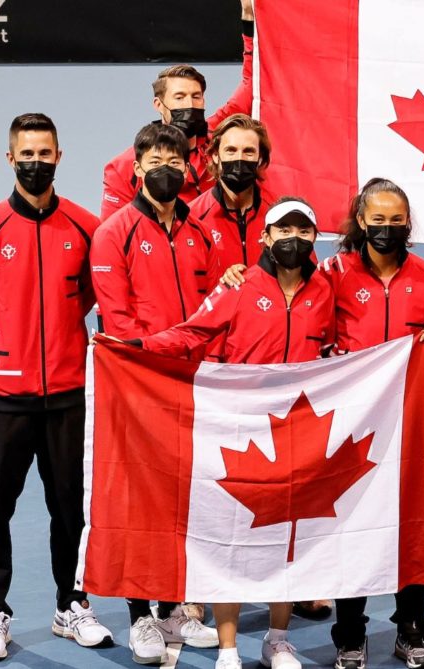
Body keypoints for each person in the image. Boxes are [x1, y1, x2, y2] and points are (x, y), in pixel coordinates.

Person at [128, 198, 332, 669]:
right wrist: (137, 347)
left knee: (287, 537)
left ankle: (277, 639)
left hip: (299, 429)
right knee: (235, 536)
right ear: (266, 237)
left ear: (314, 239)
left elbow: (345, 344)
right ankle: (227, 647)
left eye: (303, 231)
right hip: (241, 428)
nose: (293, 239)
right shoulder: (238, 286)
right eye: (284, 230)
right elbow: (190, 333)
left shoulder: (324, 290)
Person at [0, 112, 114, 662]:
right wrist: (3, 343)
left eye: (45, 154)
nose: (36, 162)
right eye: (27, 154)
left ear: (60, 158)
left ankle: (72, 605)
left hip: (67, 397)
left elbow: (94, 294)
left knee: (71, 510)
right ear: (9, 158)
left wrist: (59, 339)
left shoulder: (87, 229)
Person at [90, 122, 223, 664]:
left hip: (190, 386)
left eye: (176, 158)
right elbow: (119, 325)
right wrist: (159, 360)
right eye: (156, 159)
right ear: (138, 168)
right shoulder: (114, 232)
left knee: (180, 500)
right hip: (137, 385)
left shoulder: (201, 233)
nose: (167, 167)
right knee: (137, 501)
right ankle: (139, 615)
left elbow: (212, 310)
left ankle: (171, 607)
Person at [321, 178, 424, 669]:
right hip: (354, 424)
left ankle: (411, 630)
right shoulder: (332, 273)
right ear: (360, 221)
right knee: (353, 527)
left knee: (413, 528)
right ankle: (350, 633)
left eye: (397, 221)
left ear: (408, 225)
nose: (388, 229)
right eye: (378, 220)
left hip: (415, 423)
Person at [99, 0, 256, 219]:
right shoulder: (124, 166)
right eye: (179, 97)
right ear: (158, 105)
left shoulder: (220, 138)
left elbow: (253, 84)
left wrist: (249, 22)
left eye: (196, 97)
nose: (189, 105)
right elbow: (113, 232)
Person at [191, 113, 275, 270]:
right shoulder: (191, 217)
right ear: (215, 155)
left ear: (261, 158)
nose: (239, 158)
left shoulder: (279, 215)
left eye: (248, 151)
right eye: (231, 150)